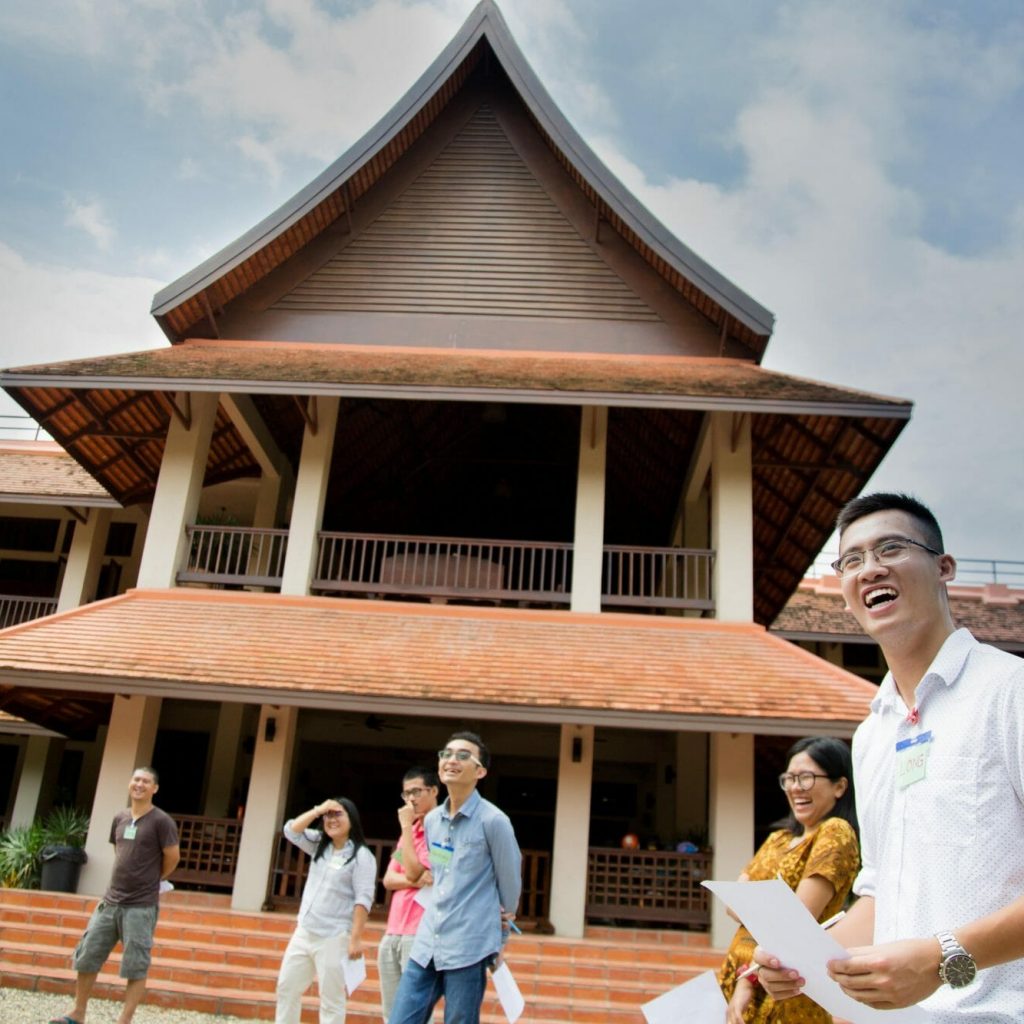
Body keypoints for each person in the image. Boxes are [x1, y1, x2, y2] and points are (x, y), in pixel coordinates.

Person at [755, 493, 1024, 1022]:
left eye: (891, 549)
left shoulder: (1010, 692)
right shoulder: (871, 735)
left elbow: (933, 959)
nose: (869, 569)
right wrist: (804, 959)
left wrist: (941, 958)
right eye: (851, 560)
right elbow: (882, 896)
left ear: (943, 567)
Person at [718, 736, 860, 1023]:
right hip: (739, 980)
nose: (795, 787)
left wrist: (749, 979)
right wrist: (767, 906)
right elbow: (731, 905)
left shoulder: (835, 832)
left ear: (840, 786)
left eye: (806, 778)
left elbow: (796, 920)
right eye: (790, 778)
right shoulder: (778, 838)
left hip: (785, 990)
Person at [387, 731, 522, 1024]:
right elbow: (439, 872)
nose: (451, 760)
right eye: (446, 754)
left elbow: (509, 886)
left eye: (463, 756)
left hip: (469, 946)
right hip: (427, 941)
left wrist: (499, 940)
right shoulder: (433, 820)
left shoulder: (494, 821)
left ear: (480, 771)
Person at [50, 766, 180, 1024]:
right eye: (136, 779)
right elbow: (120, 852)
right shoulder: (120, 818)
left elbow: (173, 857)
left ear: (155, 788)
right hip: (110, 901)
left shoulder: (162, 821)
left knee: (136, 964)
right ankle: (78, 1012)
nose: (139, 784)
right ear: (130, 784)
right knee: (87, 955)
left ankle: (124, 1020)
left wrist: (153, 880)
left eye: (146, 781)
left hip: (141, 906)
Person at [275, 796, 376, 1024]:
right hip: (305, 931)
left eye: (338, 814)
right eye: (329, 815)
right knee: (287, 987)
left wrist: (355, 938)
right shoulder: (319, 843)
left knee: (331, 1000)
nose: (332, 819)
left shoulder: (362, 857)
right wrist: (318, 810)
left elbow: (363, 899)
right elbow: (291, 830)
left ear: (352, 819)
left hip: (334, 936)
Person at [377, 767, 440, 1021]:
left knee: (416, 1011)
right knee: (391, 1012)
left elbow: (420, 873)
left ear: (434, 791)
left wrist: (405, 826)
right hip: (393, 930)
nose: (411, 799)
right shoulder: (410, 832)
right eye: (406, 794)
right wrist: (413, 879)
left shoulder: (441, 830)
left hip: (420, 931)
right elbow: (389, 879)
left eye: (416, 791)